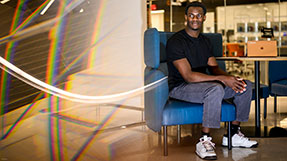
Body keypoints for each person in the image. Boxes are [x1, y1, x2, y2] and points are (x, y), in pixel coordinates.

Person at [166, 1, 258, 160]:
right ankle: (204, 140)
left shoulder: (205, 41)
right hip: (181, 86)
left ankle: (232, 134)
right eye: (191, 15)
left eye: (198, 16)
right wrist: (222, 79)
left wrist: (230, 78)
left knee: (244, 85)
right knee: (215, 89)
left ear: (204, 18)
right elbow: (188, 76)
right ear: (186, 17)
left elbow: (214, 68)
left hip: (204, 84)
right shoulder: (176, 41)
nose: (195, 19)